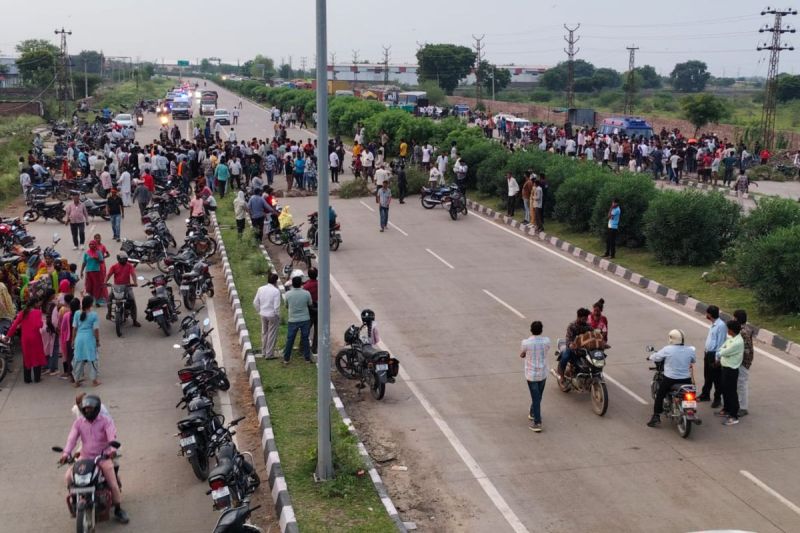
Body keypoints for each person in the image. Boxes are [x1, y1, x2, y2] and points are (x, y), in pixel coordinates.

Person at [59, 394, 129, 523]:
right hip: (85, 457)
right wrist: (65, 454)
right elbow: (72, 439)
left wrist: (112, 451)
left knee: (113, 484)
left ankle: (118, 509)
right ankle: (75, 499)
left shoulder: (105, 421)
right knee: (68, 477)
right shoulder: (79, 423)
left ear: (97, 409)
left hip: (102, 457)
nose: (88, 411)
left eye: (90, 409)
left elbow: (111, 437)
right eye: (85, 409)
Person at [646, 329, 696, 427]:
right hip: (686, 379)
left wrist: (650, 357)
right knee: (691, 392)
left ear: (671, 338)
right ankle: (690, 409)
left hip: (670, 379)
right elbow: (693, 360)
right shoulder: (690, 350)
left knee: (660, 395)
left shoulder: (667, 349)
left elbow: (656, 357)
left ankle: (656, 416)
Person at [4, 297, 46, 383]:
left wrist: (8, 336)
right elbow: (39, 325)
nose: (39, 304)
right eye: (38, 303)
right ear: (35, 304)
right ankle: (37, 378)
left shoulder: (22, 312)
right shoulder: (38, 312)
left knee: (27, 357)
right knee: (36, 356)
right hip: (35, 337)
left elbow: (14, 325)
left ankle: (27, 379)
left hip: (25, 338)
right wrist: (41, 323)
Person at [520, 321, 550, 432]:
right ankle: (533, 412)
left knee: (536, 398)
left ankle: (537, 422)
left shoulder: (526, 343)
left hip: (531, 375)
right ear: (541, 330)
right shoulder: (546, 341)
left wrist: (524, 354)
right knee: (538, 396)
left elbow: (522, 353)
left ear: (531, 330)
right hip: (543, 373)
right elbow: (546, 349)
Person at [698, 305, 727, 407]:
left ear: (710, 314)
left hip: (714, 354)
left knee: (716, 378)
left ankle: (717, 399)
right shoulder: (714, 324)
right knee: (707, 376)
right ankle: (705, 394)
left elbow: (721, 343)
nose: (706, 315)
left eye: (707, 313)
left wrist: (717, 358)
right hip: (708, 353)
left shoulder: (721, 326)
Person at [717, 320, 744, 425]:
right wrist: (722, 352)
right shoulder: (731, 338)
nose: (727, 330)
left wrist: (722, 352)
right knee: (725, 390)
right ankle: (727, 409)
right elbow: (722, 348)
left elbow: (723, 352)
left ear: (732, 330)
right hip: (725, 368)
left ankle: (734, 415)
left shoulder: (737, 342)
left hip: (731, 370)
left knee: (731, 392)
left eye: (728, 329)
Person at [283, 273, 313, 365]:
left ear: (292, 284)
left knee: (290, 339)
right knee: (305, 339)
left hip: (293, 319)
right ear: (301, 283)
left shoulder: (288, 294)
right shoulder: (306, 293)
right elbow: (310, 304)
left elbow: (286, 306)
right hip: (305, 319)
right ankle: (307, 358)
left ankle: (286, 358)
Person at [105, 252, 141, 327]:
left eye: (125, 259)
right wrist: (105, 282)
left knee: (132, 301)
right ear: (118, 259)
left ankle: (134, 320)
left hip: (127, 287)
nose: (125, 261)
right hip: (116, 287)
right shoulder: (114, 266)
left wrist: (135, 283)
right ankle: (109, 313)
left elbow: (133, 274)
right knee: (109, 299)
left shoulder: (129, 266)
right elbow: (108, 275)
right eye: (123, 259)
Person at [72, 295, 100, 387]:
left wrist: (73, 340)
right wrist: (97, 340)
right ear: (91, 304)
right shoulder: (94, 315)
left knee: (78, 360)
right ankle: (94, 381)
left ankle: (76, 381)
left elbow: (74, 328)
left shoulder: (77, 313)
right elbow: (96, 330)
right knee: (92, 360)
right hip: (89, 339)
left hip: (79, 339)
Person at [557, 308, 592, 379]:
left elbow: (593, 335)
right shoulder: (572, 326)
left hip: (584, 349)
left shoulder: (588, 327)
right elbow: (568, 338)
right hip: (573, 348)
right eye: (584, 319)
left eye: (586, 319)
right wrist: (570, 344)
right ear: (578, 317)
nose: (585, 320)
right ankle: (561, 376)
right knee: (565, 357)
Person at [253, 272, 281, 359]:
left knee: (264, 333)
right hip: (272, 314)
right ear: (275, 282)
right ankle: (269, 354)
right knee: (272, 334)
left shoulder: (260, 289)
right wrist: (277, 315)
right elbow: (276, 306)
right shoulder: (276, 291)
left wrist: (259, 310)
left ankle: (264, 352)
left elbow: (255, 302)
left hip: (263, 313)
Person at [734, 309, 753, 417]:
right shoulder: (746, 329)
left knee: (742, 384)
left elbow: (745, 349)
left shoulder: (742, 332)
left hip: (742, 361)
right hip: (744, 360)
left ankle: (743, 407)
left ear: (736, 318)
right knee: (739, 383)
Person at [303, 268, 319, 355]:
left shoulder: (306, 286)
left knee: (306, 329)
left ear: (308, 275)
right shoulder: (320, 284)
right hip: (319, 309)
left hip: (310, 310)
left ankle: (303, 348)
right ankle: (314, 348)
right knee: (318, 330)